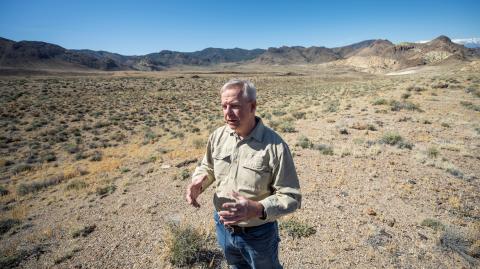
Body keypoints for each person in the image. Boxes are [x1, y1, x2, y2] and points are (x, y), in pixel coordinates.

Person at [185, 79, 301, 269]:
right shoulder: (218, 136)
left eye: (235, 106)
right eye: (224, 106)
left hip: (258, 234)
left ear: (253, 106)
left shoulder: (275, 147)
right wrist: (199, 182)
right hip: (222, 227)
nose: (227, 113)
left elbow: (291, 196)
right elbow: (208, 166)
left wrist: (256, 208)